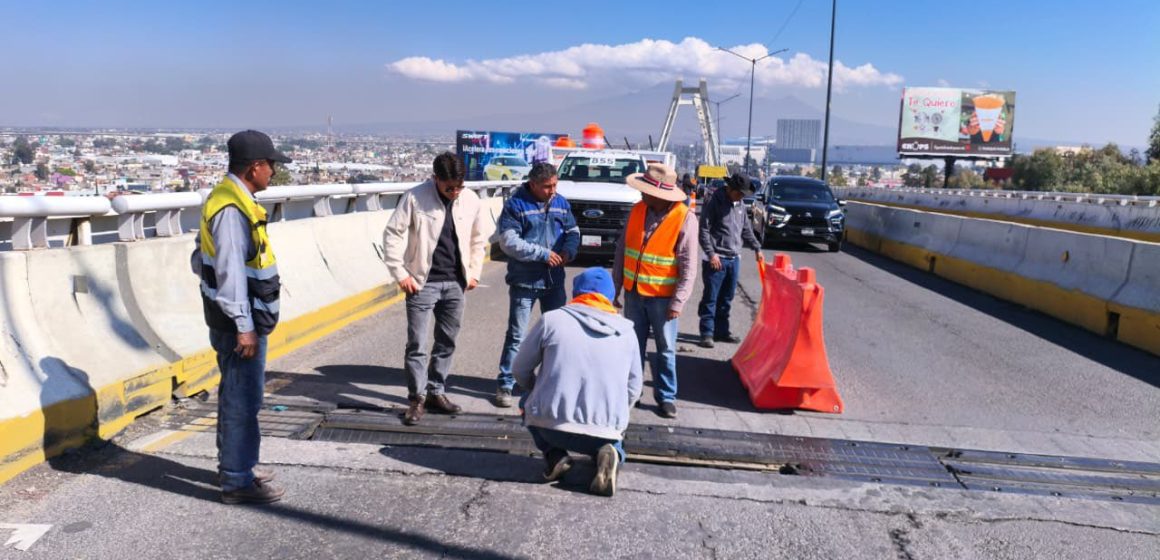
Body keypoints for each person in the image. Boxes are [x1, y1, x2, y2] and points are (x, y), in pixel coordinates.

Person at [194, 130, 290, 504]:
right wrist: (244, 325)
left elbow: (201, 260)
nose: (274, 174)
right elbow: (231, 271)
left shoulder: (225, 198)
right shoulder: (232, 209)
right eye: (271, 166)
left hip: (233, 316)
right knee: (242, 401)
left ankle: (237, 466)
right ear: (255, 167)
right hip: (238, 323)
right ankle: (236, 481)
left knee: (235, 396)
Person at [512, 267, 642, 497]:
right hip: (604, 429)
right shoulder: (627, 332)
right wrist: (615, 413)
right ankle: (609, 452)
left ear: (576, 292)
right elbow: (634, 389)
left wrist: (537, 389)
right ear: (610, 297)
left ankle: (555, 456)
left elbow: (520, 369)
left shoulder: (552, 320)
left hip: (551, 426)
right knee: (615, 433)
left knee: (526, 399)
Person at [382, 152, 487, 426]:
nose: (454, 192)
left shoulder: (472, 200)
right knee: (417, 344)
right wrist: (401, 273)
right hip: (421, 282)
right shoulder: (415, 197)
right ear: (435, 179)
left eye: (459, 186)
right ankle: (416, 398)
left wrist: (474, 273)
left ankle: (436, 392)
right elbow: (393, 234)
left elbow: (479, 239)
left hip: (456, 282)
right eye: (448, 187)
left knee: (447, 341)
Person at [613, 163, 698, 419]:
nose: (641, 194)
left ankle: (666, 396)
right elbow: (621, 250)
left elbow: (688, 265)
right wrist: (614, 287)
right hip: (634, 293)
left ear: (660, 194)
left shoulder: (684, 217)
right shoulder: (638, 210)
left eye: (645, 190)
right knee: (633, 346)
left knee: (665, 348)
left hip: (663, 298)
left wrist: (678, 301)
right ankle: (633, 391)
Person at [494, 162, 580, 407]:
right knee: (517, 336)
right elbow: (509, 242)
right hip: (525, 281)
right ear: (533, 184)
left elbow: (573, 231)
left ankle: (550, 383)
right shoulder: (515, 206)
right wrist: (542, 254)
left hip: (554, 281)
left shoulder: (561, 203)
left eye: (555, 185)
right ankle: (506, 384)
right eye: (546, 187)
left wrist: (569, 251)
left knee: (556, 336)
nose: (552, 191)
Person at [696, 173, 763, 348]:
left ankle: (721, 331)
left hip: (733, 258)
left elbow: (746, 229)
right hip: (716, 259)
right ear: (730, 189)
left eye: (743, 194)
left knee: (727, 297)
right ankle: (707, 333)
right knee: (711, 297)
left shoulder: (740, 204)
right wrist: (711, 254)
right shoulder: (714, 201)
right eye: (739, 193)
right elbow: (704, 229)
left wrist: (757, 247)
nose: (741, 197)